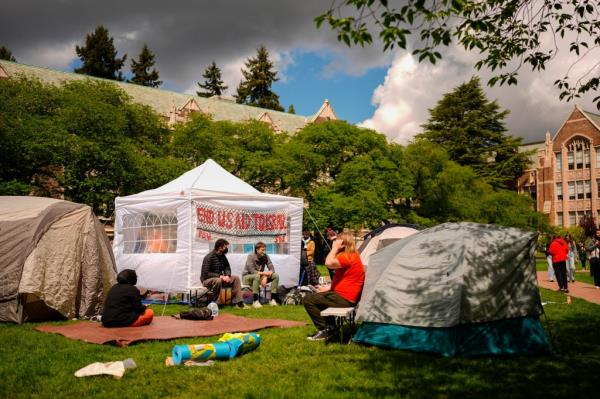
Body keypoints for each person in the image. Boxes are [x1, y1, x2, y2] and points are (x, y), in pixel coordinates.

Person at [304, 232, 365, 341]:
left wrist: (334, 248)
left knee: (308, 299)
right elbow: (343, 279)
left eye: (337, 240)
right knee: (318, 298)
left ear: (343, 243)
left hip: (345, 299)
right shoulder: (350, 255)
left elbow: (328, 263)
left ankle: (325, 330)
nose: (334, 241)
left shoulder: (347, 256)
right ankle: (331, 328)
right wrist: (328, 288)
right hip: (344, 297)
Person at [201, 238, 245, 308]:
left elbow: (227, 267)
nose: (226, 248)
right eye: (225, 247)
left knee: (236, 278)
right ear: (219, 247)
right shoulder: (209, 257)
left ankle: (238, 302)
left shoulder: (222, 256)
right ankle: (216, 303)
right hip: (207, 280)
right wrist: (220, 276)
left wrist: (227, 275)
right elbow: (206, 274)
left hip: (220, 279)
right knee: (218, 280)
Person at [243, 242, 280, 308]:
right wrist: (264, 275)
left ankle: (273, 300)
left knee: (275, 276)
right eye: (262, 250)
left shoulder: (265, 256)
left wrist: (265, 276)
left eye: (265, 249)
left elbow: (272, 269)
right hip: (247, 277)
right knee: (256, 276)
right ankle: (255, 301)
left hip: (259, 277)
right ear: (257, 250)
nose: (264, 251)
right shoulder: (251, 256)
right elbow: (252, 271)